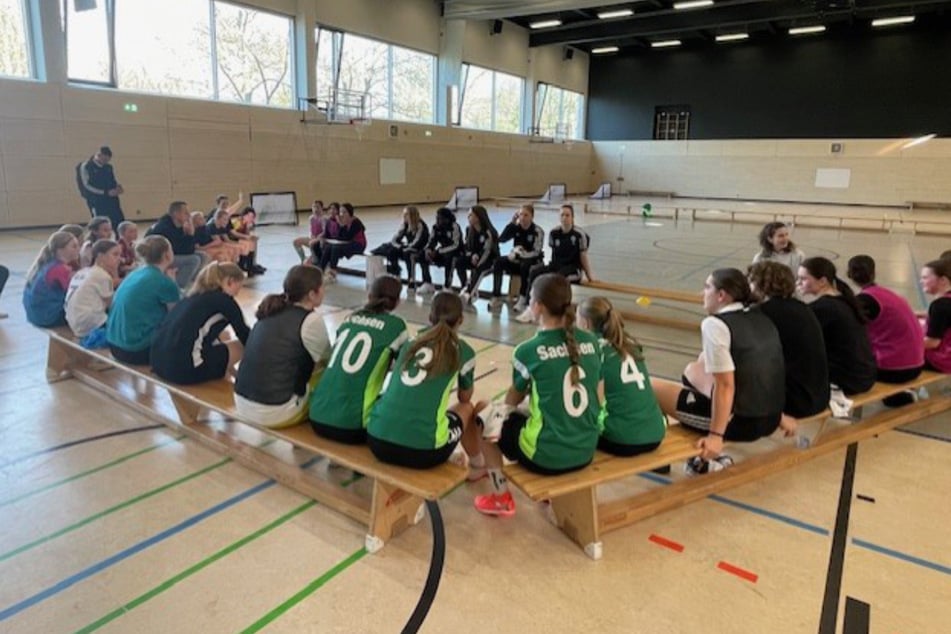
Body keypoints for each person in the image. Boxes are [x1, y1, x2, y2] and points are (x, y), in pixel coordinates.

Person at [474, 274, 602, 516]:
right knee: (537, 415)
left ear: (538, 306)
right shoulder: (592, 342)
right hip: (585, 451)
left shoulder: (528, 350)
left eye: (531, 297)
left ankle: (501, 496)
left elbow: (512, 401)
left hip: (544, 457)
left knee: (485, 414)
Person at [651, 268, 785, 475]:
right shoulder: (761, 317)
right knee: (699, 364)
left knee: (650, 387)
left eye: (707, 287)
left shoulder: (715, 325)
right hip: (771, 417)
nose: (701, 293)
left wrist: (715, 436)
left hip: (743, 422)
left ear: (721, 295)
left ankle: (671, 459)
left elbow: (725, 385)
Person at [366, 291, 485, 470]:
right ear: (461, 320)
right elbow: (464, 398)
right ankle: (478, 465)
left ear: (430, 316)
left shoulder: (409, 342)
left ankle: (447, 449)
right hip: (422, 453)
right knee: (465, 409)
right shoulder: (463, 351)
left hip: (376, 440)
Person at [309, 275, 409, 443]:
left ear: (370, 296)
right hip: (353, 426)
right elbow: (403, 369)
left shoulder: (350, 318)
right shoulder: (397, 326)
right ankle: (360, 469)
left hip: (316, 414)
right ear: (398, 301)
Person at [234, 266, 332, 428]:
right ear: (312, 294)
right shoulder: (310, 320)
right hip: (274, 411)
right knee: (324, 374)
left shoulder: (269, 308)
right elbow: (328, 360)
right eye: (322, 287)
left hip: (241, 400)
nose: (324, 291)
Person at [577, 296, 665, 456]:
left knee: (580, 424)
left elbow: (594, 402)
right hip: (656, 433)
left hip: (623, 439)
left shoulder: (593, 350)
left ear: (585, 323)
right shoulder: (629, 343)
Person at [748, 261, 830, 434]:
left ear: (759, 284)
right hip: (820, 395)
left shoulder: (764, 313)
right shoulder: (802, 308)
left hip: (796, 401)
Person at [150, 262, 250, 385]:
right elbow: (246, 336)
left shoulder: (192, 296)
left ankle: (231, 376)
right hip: (184, 370)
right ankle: (247, 382)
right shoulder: (225, 301)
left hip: (159, 363)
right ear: (230, 281)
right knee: (242, 346)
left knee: (223, 335)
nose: (237, 294)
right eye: (238, 288)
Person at [847, 255, 924, 405]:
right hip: (917, 363)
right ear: (874, 273)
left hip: (897, 369)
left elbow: (854, 337)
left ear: (849, 275)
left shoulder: (865, 300)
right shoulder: (887, 294)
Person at [797, 257, 876, 395]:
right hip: (865, 375)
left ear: (822, 281)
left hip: (849, 380)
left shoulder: (823, 308)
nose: (798, 283)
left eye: (803, 279)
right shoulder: (844, 300)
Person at [106, 236, 180, 365]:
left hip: (114, 344)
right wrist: (173, 284)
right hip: (136, 351)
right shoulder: (163, 282)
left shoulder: (135, 273)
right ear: (166, 254)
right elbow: (177, 317)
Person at [516, 204, 594, 322]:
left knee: (558, 279)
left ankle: (556, 311)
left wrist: (589, 276)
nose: (564, 218)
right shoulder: (554, 233)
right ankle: (529, 308)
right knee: (534, 272)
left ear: (572, 217)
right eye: (562, 215)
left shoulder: (579, 235)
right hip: (557, 265)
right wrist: (549, 268)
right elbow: (553, 254)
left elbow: (583, 256)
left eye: (567, 215)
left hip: (573, 268)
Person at [489, 204, 545, 314]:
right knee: (498, 262)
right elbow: (501, 239)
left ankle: (523, 298)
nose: (522, 218)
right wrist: (512, 223)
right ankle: (496, 295)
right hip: (518, 260)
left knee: (525, 265)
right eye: (520, 215)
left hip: (533, 262)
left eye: (526, 215)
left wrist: (520, 254)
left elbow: (537, 252)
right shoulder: (516, 228)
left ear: (532, 217)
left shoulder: (537, 231)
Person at [65, 239, 121, 347]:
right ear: (101, 256)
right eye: (115, 254)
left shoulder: (84, 271)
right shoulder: (102, 276)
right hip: (88, 323)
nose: (120, 259)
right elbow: (113, 307)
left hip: (73, 321)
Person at [23, 231, 79, 327]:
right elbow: (74, 295)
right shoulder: (59, 269)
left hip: (35, 314)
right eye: (74, 246)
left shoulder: (48, 263)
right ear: (61, 250)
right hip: (48, 317)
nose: (78, 249)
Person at [146, 201, 204, 289]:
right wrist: (190, 234)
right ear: (176, 214)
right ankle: (176, 287)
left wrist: (189, 235)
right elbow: (184, 250)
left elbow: (184, 247)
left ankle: (192, 284)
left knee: (203, 256)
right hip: (156, 259)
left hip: (169, 253)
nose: (189, 215)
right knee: (194, 260)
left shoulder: (176, 224)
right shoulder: (165, 228)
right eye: (185, 213)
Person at [455, 205, 499, 310]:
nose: (468, 217)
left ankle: (468, 293)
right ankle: (465, 287)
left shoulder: (489, 232)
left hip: (490, 260)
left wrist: (477, 261)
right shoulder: (469, 230)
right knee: (459, 262)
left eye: (471, 215)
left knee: (479, 269)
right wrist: (471, 256)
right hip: (475, 258)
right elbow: (467, 247)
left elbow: (487, 251)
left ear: (478, 217)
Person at [370, 206, 429, 282]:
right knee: (391, 249)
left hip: (418, 249)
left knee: (406, 253)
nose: (404, 216)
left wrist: (404, 247)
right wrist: (399, 246)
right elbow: (395, 239)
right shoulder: (405, 225)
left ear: (412, 215)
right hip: (408, 247)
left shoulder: (421, 226)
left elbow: (417, 242)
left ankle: (410, 279)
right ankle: (395, 272)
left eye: (406, 214)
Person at [77, 146, 125, 226]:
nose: (105, 162)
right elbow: (86, 185)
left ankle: (119, 237)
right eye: (104, 160)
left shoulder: (108, 167)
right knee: (100, 223)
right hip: (96, 199)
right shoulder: (86, 166)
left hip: (111, 198)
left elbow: (112, 180)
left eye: (108, 160)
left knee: (119, 220)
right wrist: (105, 192)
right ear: (98, 155)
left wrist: (117, 188)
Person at [418, 207, 462, 295]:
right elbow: (431, 241)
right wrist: (429, 250)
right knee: (422, 254)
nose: (437, 220)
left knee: (450, 258)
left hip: (456, 252)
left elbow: (455, 245)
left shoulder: (454, 227)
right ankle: (427, 282)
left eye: (440, 218)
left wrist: (438, 252)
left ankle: (447, 286)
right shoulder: (435, 227)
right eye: (437, 217)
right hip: (442, 251)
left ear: (447, 219)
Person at [318, 203, 366, 282]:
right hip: (348, 244)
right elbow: (340, 237)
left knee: (335, 248)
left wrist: (341, 225)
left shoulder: (355, 222)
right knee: (329, 247)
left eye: (344, 212)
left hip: (358, 245)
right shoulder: (343, 221)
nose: (342, 214)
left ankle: (332, 272)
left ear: (350, 212)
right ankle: (320, 270)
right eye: (341, 212)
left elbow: (347, 237)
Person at [920, 258, 951, 373]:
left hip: (943, 360)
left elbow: (933, 343)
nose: (921, 281)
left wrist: (906, 344)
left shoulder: (940, 306)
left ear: (942, 280)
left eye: (925, 277)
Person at [232, 207, 266, 276]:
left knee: (252, 242)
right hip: (233, 239)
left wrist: (248, 229)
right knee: (248, 244)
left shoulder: (247, 223)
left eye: (252, 217)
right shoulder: (237, 221)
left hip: (241, 238)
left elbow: (246, 233)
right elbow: (234, 234)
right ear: (244, 215)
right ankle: (244, 265)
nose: (251, 218)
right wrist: (247, 237)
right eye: (250, 216)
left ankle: (251, 265)